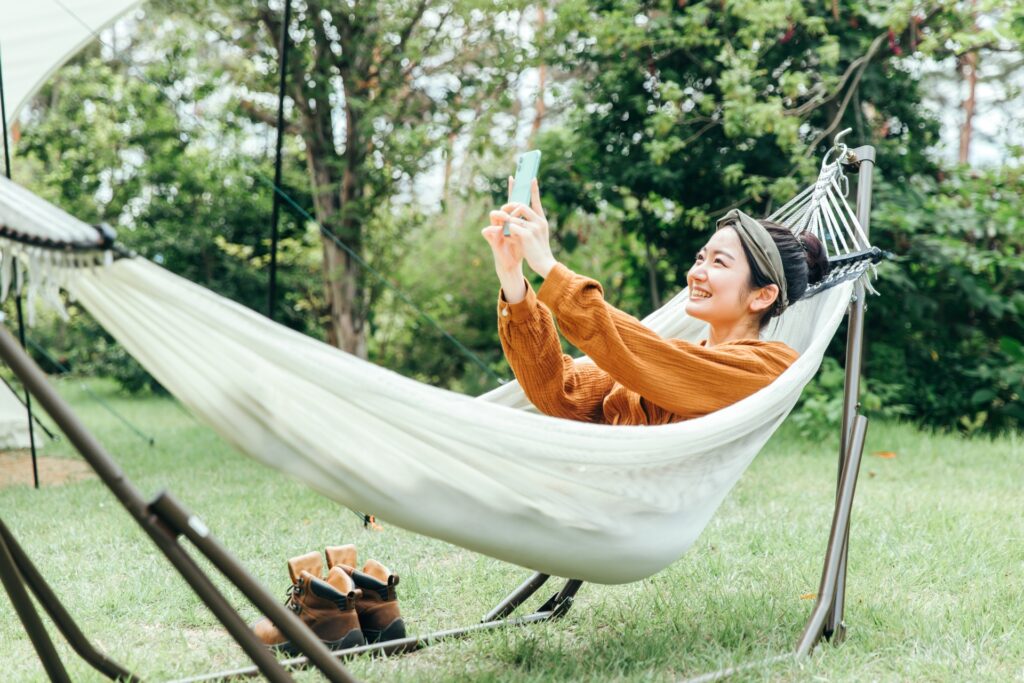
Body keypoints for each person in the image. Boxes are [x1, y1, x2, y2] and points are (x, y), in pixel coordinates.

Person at [480, 179, 829, 425]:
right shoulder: (664, 357)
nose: (697, 273)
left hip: (633, 509)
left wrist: (549, 267)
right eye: (700, 258)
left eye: (719, 262)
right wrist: (512, 278)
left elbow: (652, 361)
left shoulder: (769, 367)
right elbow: (562, 393)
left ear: (763, 295)